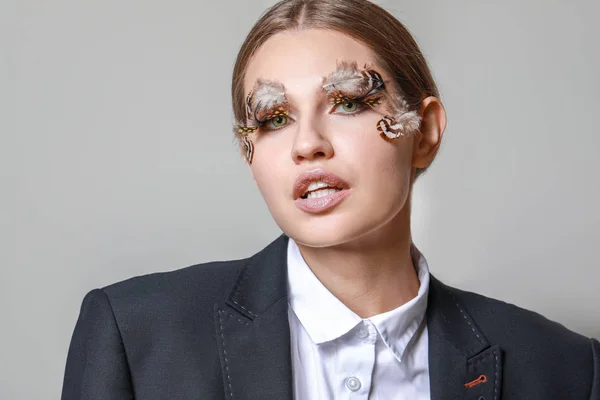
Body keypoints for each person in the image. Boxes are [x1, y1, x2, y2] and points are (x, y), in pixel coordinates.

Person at [61, 0, 599, 399]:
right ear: (250, 151)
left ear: (426, 130)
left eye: (346, 103)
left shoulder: (567, 370)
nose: (307, 143)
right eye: (273, 118)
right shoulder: (136, 337)